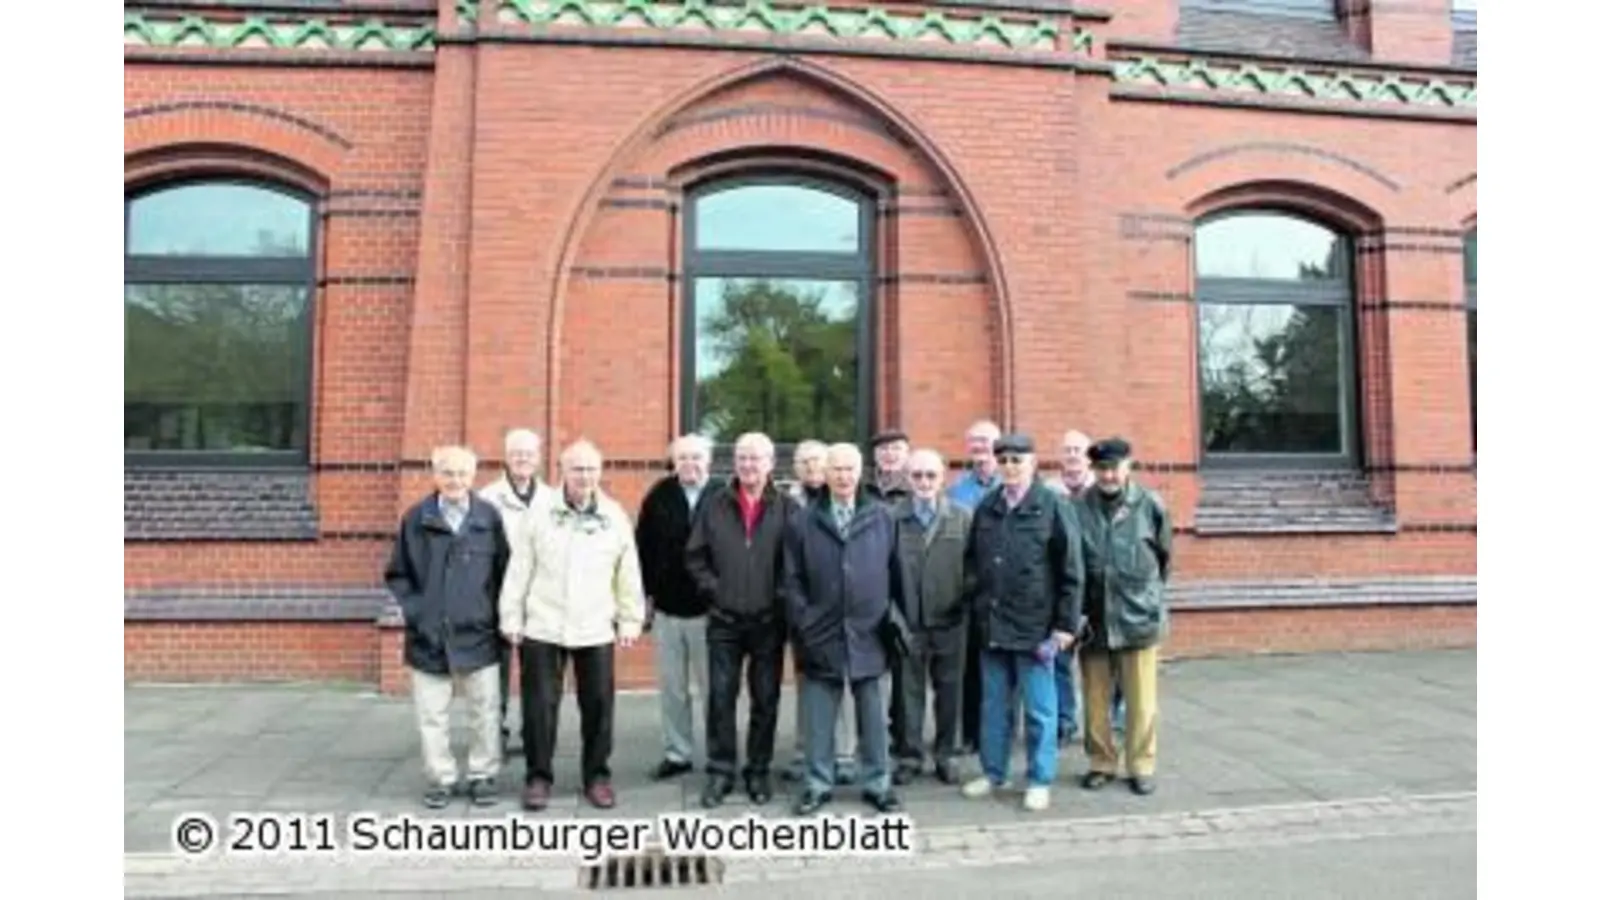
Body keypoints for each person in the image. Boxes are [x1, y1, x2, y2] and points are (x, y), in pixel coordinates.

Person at [498, 440, 646, 811]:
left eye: (591, 469)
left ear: (600, 471)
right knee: (539, 708)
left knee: (598, 707)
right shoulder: (539, 513)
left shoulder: (613, 516)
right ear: (562, 471)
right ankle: (538, 777)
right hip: (543, 625)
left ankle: (597, 777)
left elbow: (628, 572)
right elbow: (519, 569)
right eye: (577, 469)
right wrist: (511, 617)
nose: (585, 476)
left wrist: (631, 619)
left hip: (595, 626)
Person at [960, 434, 1084, 812]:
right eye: (1004, 460)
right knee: (994, 707)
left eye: (1017, 460)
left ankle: (1039, 779)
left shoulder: (1053, 505)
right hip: (993, 625)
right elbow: (971, 562)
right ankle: (994, 772)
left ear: (1033, 463)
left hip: (1036, 629)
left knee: (1040, 710)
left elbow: (1072, 570)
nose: (1010, 467)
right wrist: (976, 603)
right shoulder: (988, 506)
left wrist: (1065, 627)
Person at [384, 445, 512, 808]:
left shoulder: (488, 517)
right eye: (448, 473)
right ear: (435, 475)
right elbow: (398, 574)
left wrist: (495, 616)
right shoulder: (416, 519)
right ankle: (440, 778)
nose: (455, 481)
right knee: (432, 716)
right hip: (429, 636)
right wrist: (419, 614)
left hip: (479, 633)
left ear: (473, 477)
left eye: (462, 474)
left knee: (484, 712)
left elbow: (505, 573)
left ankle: (482, 774)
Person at [783, 443, 905, 816]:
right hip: (821, 632)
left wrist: (895, 620)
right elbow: (791, 579)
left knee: (873, 716)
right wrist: (804, 621)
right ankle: (817, 784)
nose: (843, 476)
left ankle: (878, 783)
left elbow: (897, 573)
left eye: (850, 468)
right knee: (819, 719)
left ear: (860, 472)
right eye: (836, 468)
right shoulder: (803, 521)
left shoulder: (883, 517)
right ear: (825, 473)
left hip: (871, 632)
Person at [685, 433, 796, 808]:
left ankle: (758, 770)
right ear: (734, 462)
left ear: (770, 464)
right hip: (724, 620)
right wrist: (715, 591)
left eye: (756, 458)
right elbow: (695, 556)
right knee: (720, 697)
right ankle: (720, 771)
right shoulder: (714, 504)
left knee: (765, 699)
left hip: (768, 621)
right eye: (742, 458)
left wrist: (779, 598)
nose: (749, 465)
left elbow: (795, 561)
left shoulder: (787, 508)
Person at [1074, 437, 1173, 797]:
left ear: (1128, 467)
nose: (1108, 475)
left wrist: (1147, 600)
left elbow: (1164, 561)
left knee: (1142, 702)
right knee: (1095, 702)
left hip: (1138, 618)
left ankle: (1141, 765)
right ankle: (1101, 762)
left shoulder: (1150, 505)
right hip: (1094, 620)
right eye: (1101, 468)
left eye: (1114, 468)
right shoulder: (1077, 508)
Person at [634, 433, 719, 780]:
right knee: (672, 689)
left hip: (711, 612)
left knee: (714, 688)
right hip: (668, 610)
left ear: (708, 461)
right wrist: (644, 598)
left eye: (696, 457)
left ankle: (719, 753)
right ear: (674, 462)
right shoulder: (659, 496)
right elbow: (642, 548)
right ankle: (677, 752)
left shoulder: (723, 496)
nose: (690, 464)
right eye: (683, 458)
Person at [890, 449, 971, 786]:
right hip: (907, 621)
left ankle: (947, 754)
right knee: (906, 694)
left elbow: (974, 568)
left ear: (943, 478)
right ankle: (909, 756)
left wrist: (963, 604)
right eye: (917, 475)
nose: (924, 482)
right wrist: (894, 615)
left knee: (950, 692)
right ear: (907, 479)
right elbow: (880, 570)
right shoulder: (892, 518)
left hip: (951, 621)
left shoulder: (962, 517)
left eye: (930, 475)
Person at [784, 439, 857, 785]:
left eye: (817, 460)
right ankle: (806, 751)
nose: (811, 467)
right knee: (807, 686)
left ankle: (844, 753)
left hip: (842, 612)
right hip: (805, 613)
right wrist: (800, 613)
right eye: (804, 462)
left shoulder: (844, 501)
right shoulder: (788, 505)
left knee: (844, 683)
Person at [476, 428, 552, 754]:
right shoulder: (487, 499)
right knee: (496, 675)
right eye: (517, 453)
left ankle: (533, 737)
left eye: (529, 453)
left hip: (539, 600)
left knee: (537, 674)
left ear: (539, 458)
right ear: (506, 457)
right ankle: (495, 736)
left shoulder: (551, 499)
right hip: (495, 597)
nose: (523, 459)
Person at [947, 419, 1002, 754]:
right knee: (968, 667)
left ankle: (997, 732)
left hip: (1001, 590)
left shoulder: (1009, 487)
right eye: (975, 441)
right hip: (969, 589)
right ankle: (969, 732)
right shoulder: (956, 491)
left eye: (986, 440)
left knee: (999, 668)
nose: (980, 447)